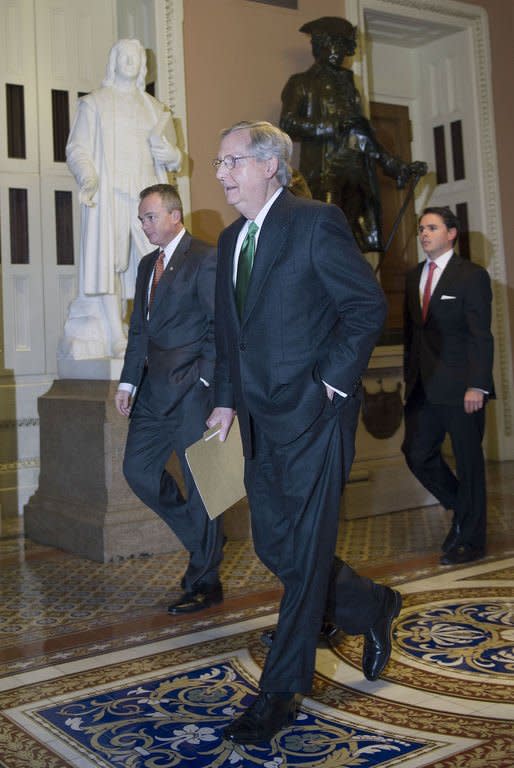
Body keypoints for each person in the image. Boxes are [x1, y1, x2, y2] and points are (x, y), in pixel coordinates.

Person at [207, 120, 402, 745]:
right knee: (276, 547)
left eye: (231, 161)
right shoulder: (232, 238)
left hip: (316, 417)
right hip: (259, 419)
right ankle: (372, 606)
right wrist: (226, 402)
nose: (221, 174)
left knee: (308, 551)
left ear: (270, 165)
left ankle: (280, 692)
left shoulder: (314, 222)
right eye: (219, 163)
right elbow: (228, 336)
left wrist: (332, 385)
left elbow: (365, 306)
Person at [114, 184, 224, 613]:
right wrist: (127, 383)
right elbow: (139, 330)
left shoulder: (205, 257)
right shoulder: (146, 266)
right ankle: (205, 541)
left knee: (204, 491)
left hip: (194, 394)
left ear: (175, 215)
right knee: (137, 471)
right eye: (141, 218)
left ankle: (204, 579)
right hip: (152, 394)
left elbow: (220, 328)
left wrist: (204, 382)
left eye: (149, 217)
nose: (143, 225)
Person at [64, 38, 181, 359]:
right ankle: (116, 333)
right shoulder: (95, 103)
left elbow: (174, 158)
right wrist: (88, 177)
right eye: (124, 55)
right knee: (109, 263)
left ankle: (151, 326)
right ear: (113, 61)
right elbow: (77, 148)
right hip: (111, 193)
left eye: (135, 56)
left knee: (157, 260)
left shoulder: (155, 110)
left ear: (142, 65)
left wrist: (170, 152)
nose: (129, 60)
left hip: (148, 196)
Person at [280, 16, 425, 253]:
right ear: (321, 45)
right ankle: (393, 165)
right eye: (336, 44)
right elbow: (288, 124)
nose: (342, 52)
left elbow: (359, 129)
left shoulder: (348, 82)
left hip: (356, 169)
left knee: (352, 242)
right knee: (323, 238)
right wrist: (331, 125)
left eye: (344, 45)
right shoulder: (301, 83)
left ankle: (393, 165)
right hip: (326, 172)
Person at [402, 206, 494, 566]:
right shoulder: (412, 278)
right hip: (424, 388)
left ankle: (471, 541)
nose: (425, 234)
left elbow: (480, 336)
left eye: (433, 228)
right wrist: (409, 382)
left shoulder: (471, 276)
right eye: (422, 229)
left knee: (470, 464)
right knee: (416, 452)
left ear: (451, 233)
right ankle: (463, 507)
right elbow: (412, 338)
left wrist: (478, 385)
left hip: (463, 389)